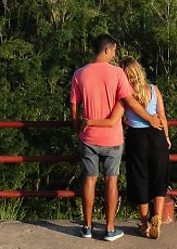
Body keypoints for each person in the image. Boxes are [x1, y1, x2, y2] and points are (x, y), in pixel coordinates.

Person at [70, 34, 159, 241]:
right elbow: (130, 102)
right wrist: (150, 119)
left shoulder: (79, 74)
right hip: (112, 138)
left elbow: (74, 106)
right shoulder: (117, 73)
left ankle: (87, 227)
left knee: (89, 180)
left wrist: (77, 128)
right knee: (112, 181)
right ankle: (110, 229)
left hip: (88, 136)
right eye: (114, 51)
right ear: (109, 49)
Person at [116, 57, 170, 239]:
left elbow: (122, 113)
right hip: (157, 135)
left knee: (140, 178)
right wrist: (167, 137)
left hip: (137, 138)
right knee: (159, 177)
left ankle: (145, 223)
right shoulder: (154, 89)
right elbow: (162, 116)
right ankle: (158, 216)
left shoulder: (126, 93)